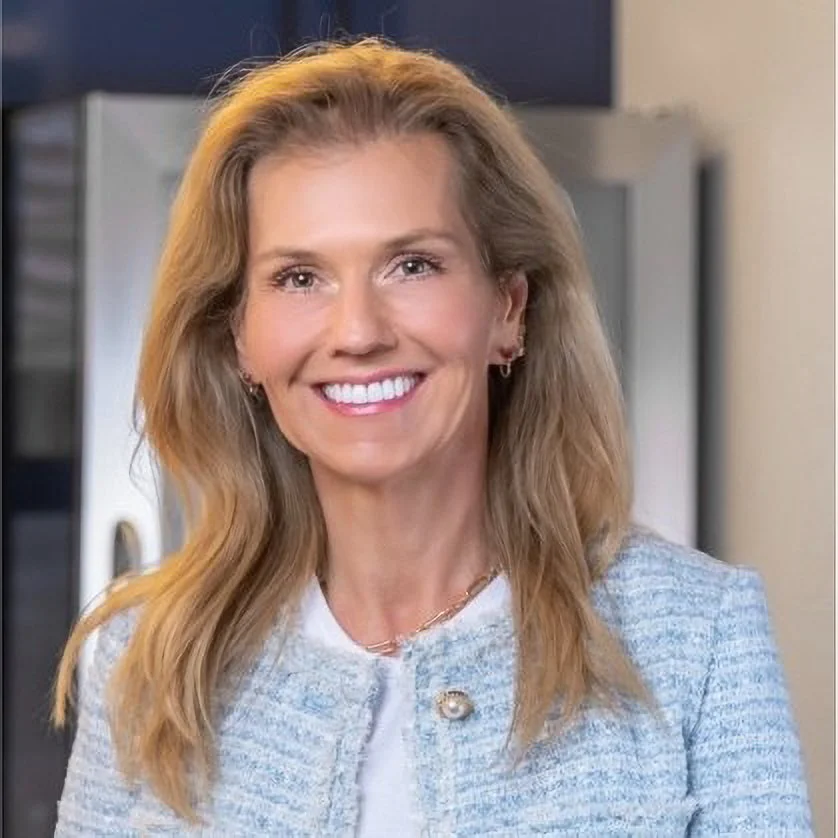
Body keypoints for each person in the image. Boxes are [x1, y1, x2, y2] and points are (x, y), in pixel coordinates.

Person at [53, 39, 812, 836]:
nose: (357, 332)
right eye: (298, 278)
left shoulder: (696, 637)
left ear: (507, 310)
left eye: (411, 265)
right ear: (240, 337)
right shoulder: (146, 664)